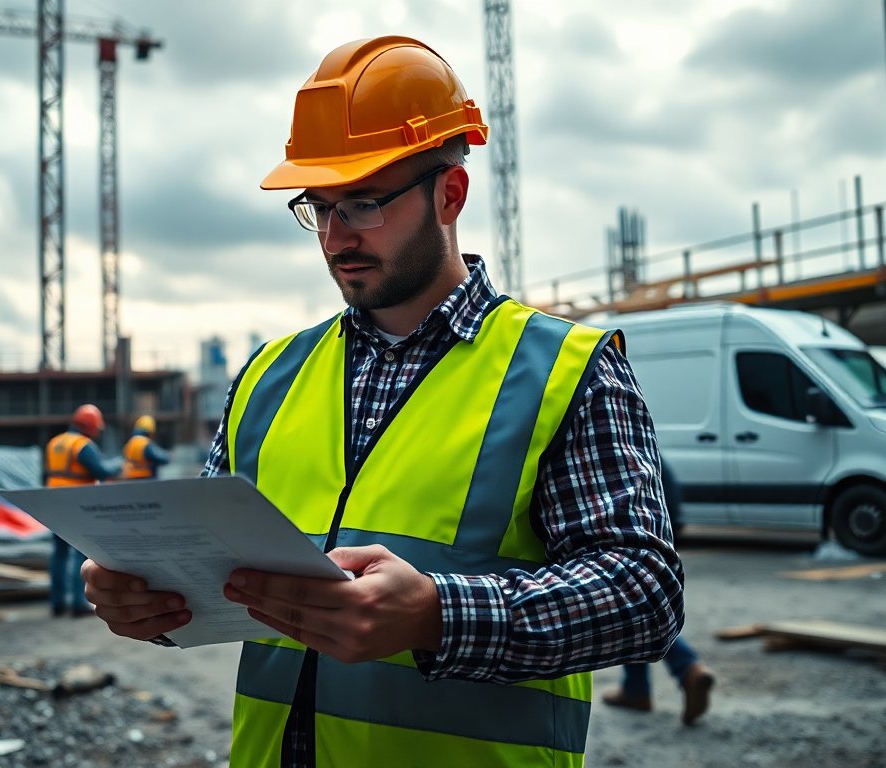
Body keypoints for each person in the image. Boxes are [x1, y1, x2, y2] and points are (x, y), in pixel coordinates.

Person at [84, 35, 683, 767]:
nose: (337, 237)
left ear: (449, 194)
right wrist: (148, 604)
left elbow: (643, 595)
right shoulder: (268, 378)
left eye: (364, 203)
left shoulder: (568, 372)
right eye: (320, 207)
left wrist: (439, 614)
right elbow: (211, 572)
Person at [602, 464, 716, 725]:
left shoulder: (613, 440)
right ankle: (638, 688)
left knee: (633, 605)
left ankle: (684, 670)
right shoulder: (640, 439)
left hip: (643, 532)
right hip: (665, 526)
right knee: (637, 605)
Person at [44, 403, 120, 617]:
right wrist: (118, 465)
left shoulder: (55, 442)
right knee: (80, 552)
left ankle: (57, 603)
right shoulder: (82, 444)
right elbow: (101, 471)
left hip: (53, 502)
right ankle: (78, 603)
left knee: (59, 553)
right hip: (75, 503)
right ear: (91, 426)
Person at [121, 414, 171, 479]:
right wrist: (168, 455)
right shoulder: (145, 444)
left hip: (130, 479)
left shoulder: (130, 443)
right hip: (147, 480)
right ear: (150, 431)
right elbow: (162, 459)